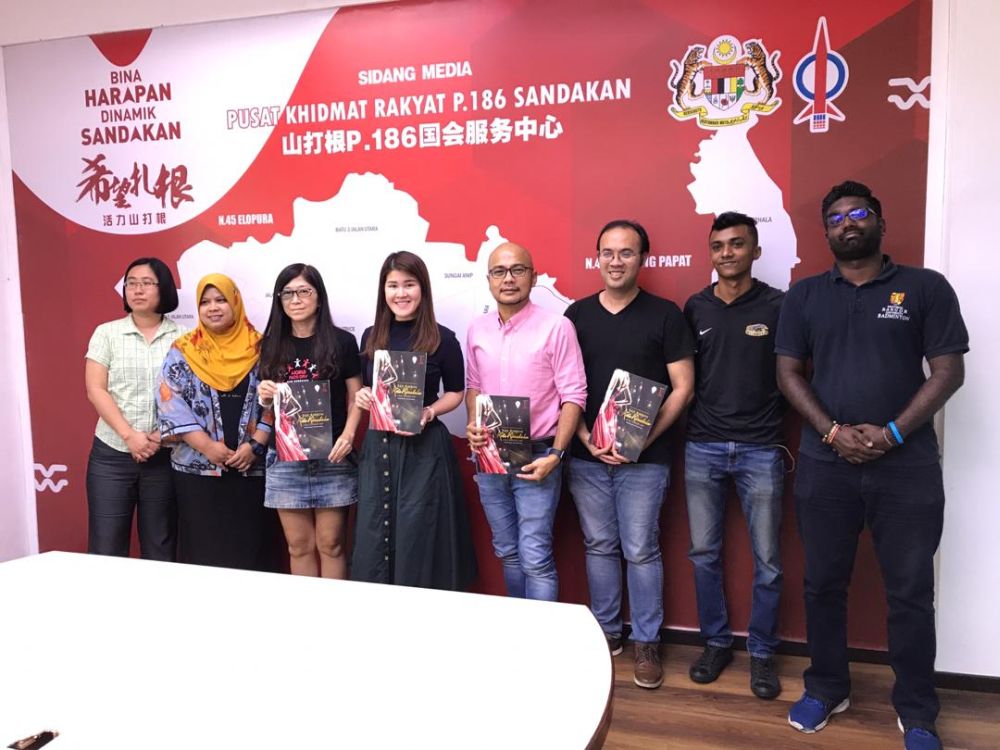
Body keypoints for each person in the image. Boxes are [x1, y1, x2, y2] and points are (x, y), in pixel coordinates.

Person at [777, 181, 967, 750]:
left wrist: (890, 434)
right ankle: (827, 686)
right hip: (824, 464)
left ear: (880, 221)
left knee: (909, 591)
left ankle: (917, 710)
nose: (847, 223)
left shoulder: (925, 287)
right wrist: (834, 432)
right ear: (826, 231)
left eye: (858, 214)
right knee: (823, 585)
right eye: (835, 217)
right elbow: (788, 374)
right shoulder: (805, 295)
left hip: (905, 468)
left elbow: (948, 372)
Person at [565, 220, 694, 689]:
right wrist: (582, 437)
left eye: (626, 253)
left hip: (647, 460)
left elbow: (683, 389)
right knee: (599, 546)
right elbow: (566, 387)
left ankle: (646, 642)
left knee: (641, 550)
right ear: (596, 257)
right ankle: (605, 633)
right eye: (607, 253)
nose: (615, 261)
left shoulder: (665, 314)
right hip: (587, 458)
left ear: (643, 258)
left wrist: (642, 440)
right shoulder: (576, 316)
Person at [683, 212, 786, 699]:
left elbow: (795, 374)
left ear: (755, 251)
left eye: (737, 244)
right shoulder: (695, 308)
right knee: (704, 554)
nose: (727, 253)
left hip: (761, 449)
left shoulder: (778, 306)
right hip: (701, 446)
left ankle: (763, 653)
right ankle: (716, 642)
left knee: (768, 559)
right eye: (719, 245)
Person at [466, 241, 587, 602]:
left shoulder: (557, 328)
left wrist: (557, 454)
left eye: (518, 270)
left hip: (538, 455)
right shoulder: (477, 329)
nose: (509, 279)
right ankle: (519, 632)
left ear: (533, 277)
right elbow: (473, 386)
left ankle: (541, 644)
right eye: (499, 271)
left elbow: (573, 396)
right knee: (507, 550)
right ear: (489, 279)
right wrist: (473, 422)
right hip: (489, 455)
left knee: (534, 556)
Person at [351, 251, 477, 590]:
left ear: (423, 289)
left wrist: (430, 411)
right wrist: (363, 396)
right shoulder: (370, 335)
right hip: (379, 447)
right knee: (376, 531)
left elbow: (455, 392)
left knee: (419, 533)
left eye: (409, 284)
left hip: (425, 451)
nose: (401, 293)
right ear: (383, 291)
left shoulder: (442, 337)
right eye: (393, 285)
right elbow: (367, 387)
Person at [157, 273, 283, 572]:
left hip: (251, 468)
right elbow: (168, 400)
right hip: (197, 469)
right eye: (205, 302)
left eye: (221, 300)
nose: (213, 308)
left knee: (253, 547)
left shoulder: (262, 347)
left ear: (235, 303)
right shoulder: (183, 349)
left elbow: (277, 400)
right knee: (203, 549)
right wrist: (207, 447)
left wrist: (255, 444)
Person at [257, 264, 361, 579]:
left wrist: (348, 435)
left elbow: (357, 395)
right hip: (287, 460)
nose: (296, 299)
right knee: (298, 546)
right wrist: (264, 396)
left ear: (318, 297)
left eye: (304, 291)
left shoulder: (342, 342)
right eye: (288, 293)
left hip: (333, 456)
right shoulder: (271, 343)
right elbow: (268, 404)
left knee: (331, 544)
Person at [85, 257, 183, 560]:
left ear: (163, 288)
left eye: (146, 283)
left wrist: (157, 436)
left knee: (161, 544)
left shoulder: (184, 337)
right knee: (107, 545)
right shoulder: (107, 333)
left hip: (164, 454)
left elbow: (191, 398)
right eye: (131, 283)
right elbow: (96, 389)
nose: (137, 290)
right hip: (112, 455)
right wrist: (130, 436)